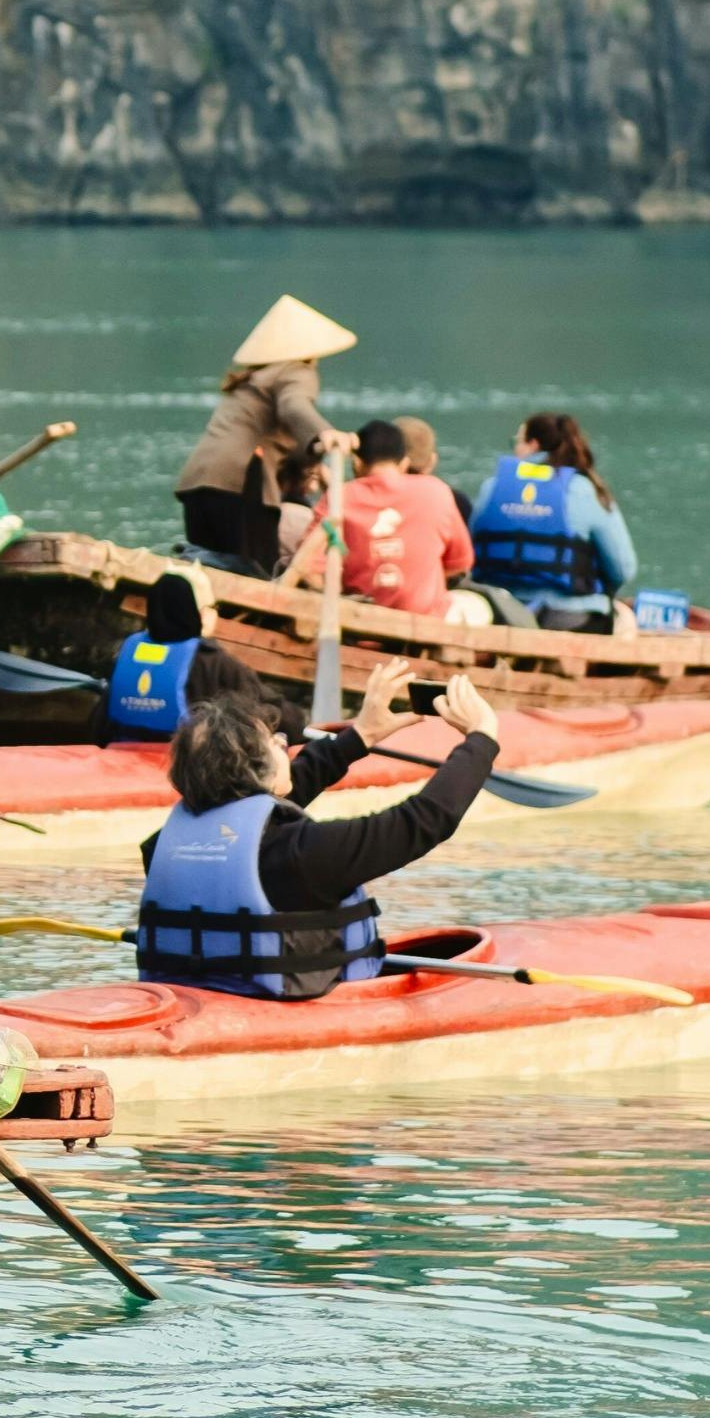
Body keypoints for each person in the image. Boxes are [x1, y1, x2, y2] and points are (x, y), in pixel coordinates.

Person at [134, 665, 499, 999]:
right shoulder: (304, 855)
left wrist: (361, 735)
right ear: (257, 768)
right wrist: (481, 739)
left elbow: (255, 801)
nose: (285, 746)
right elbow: (423, 821)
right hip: (274, 1012)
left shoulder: (161, 846)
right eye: (275, 742)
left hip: (190, 993)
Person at [172, 295, 358, 576]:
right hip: (241, 484)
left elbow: (278, 439)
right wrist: (326, 434)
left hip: (198, 484)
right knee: (258, 573)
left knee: (207, 571)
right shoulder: (296, 371)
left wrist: (313, 456)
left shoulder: (251, 380)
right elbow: (293, 405)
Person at [281, 420, 479, 621]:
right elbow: (460, 563)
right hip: (425, 621)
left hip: (359, 623)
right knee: (476, 605)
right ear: (403, 463)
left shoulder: (340, 497)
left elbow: (307, 567)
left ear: (357, 463)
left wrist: (335, 595)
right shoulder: (437, 491)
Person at [469, 412, 639, 632]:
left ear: (532, 444)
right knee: (625, 619)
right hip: (569, 618)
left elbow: (468, 552)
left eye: (517, 442)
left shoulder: (491, 487)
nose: (514, 449)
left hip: (500, 613)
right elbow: (623, 569)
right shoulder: (584, 490)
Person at [103, 565, 297, 741]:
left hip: (124, 760)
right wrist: (301, 725)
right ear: (199, 614)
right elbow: (271, 709)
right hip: (185, 768)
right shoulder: (214, 662)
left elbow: (101, 722)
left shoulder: (128, 653)